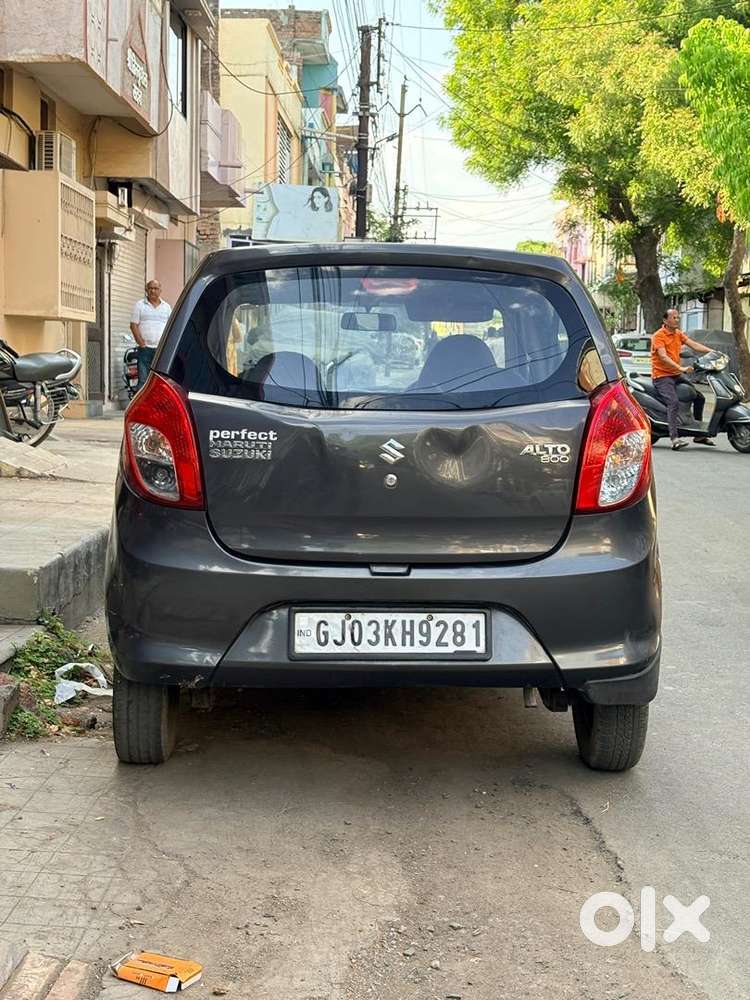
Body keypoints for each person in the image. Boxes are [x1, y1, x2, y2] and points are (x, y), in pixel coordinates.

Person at [651, 308, 714, 450]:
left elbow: (694, 345)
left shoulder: (678, 334)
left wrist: (712, 352)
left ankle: (699, 435)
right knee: (673, 403)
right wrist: (681, 368)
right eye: (674, 318)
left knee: (699, 398)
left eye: (678, 317)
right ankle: (674, 438)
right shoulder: (658, 336)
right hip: (662, 376)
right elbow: (663, 357)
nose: (677, 320)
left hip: (675, 375)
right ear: (665, 320)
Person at [130, 280, 172, 387]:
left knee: (161, 380)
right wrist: (141, 343)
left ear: (160, 290)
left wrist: (166, 345)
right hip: (145, 349)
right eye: (150, 288)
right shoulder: (140, 305)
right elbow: (133, 325)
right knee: (143, 381)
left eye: (155, 288)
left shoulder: (166, 307)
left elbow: (170, 327)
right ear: (146, 290)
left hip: (161, 350)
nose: (153, 291)